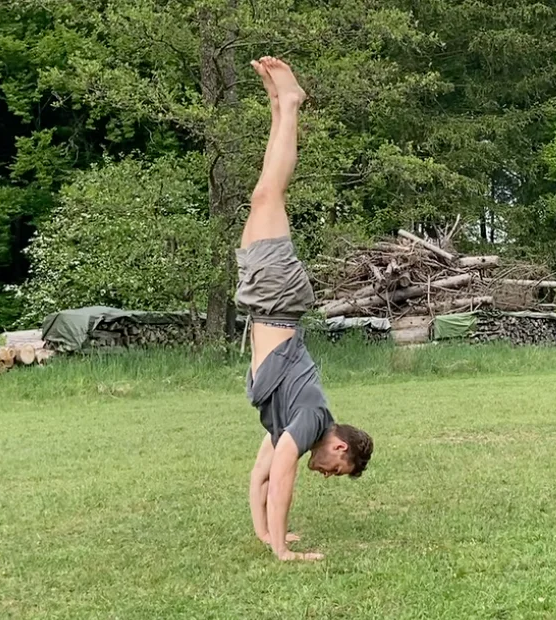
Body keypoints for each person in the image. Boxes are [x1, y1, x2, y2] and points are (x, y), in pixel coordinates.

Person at [237, 57, 373, 562]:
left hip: (262, 303)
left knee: (260, 195)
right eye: (336, 471)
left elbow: (260, 477)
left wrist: (266, 536)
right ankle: (290, 104)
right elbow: (284, 478)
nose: (325, 475)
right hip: (279, 303)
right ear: (340, 449)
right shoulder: (312, 419)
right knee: (270, 193)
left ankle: (279, 106)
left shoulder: (291, 423)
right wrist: (283, 552)